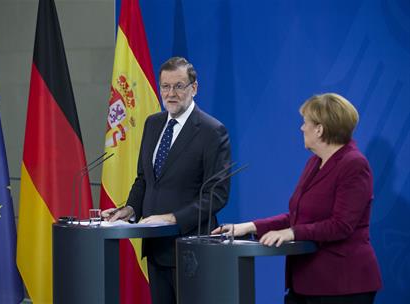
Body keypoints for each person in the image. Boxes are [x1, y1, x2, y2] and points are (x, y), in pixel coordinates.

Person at [213, 93, 382, 304]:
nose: (302, 128)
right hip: (305, 282)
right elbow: (299, 216)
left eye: (305, 123)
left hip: (342, 285)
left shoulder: (354, 164)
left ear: (320, 129)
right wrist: (249, 227)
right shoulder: (314, 162)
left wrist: (291, 233)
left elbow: (341, 225)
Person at [102, 57, 231, 304]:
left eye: (179, 86)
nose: (171, 93)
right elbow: (144, 180)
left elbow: (218, 194)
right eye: (165, 86)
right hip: (156, 248)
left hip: (191, 250)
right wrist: (129, 210)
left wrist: (173, 218)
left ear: (194, 88)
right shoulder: (153, 124)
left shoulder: (212, 131)